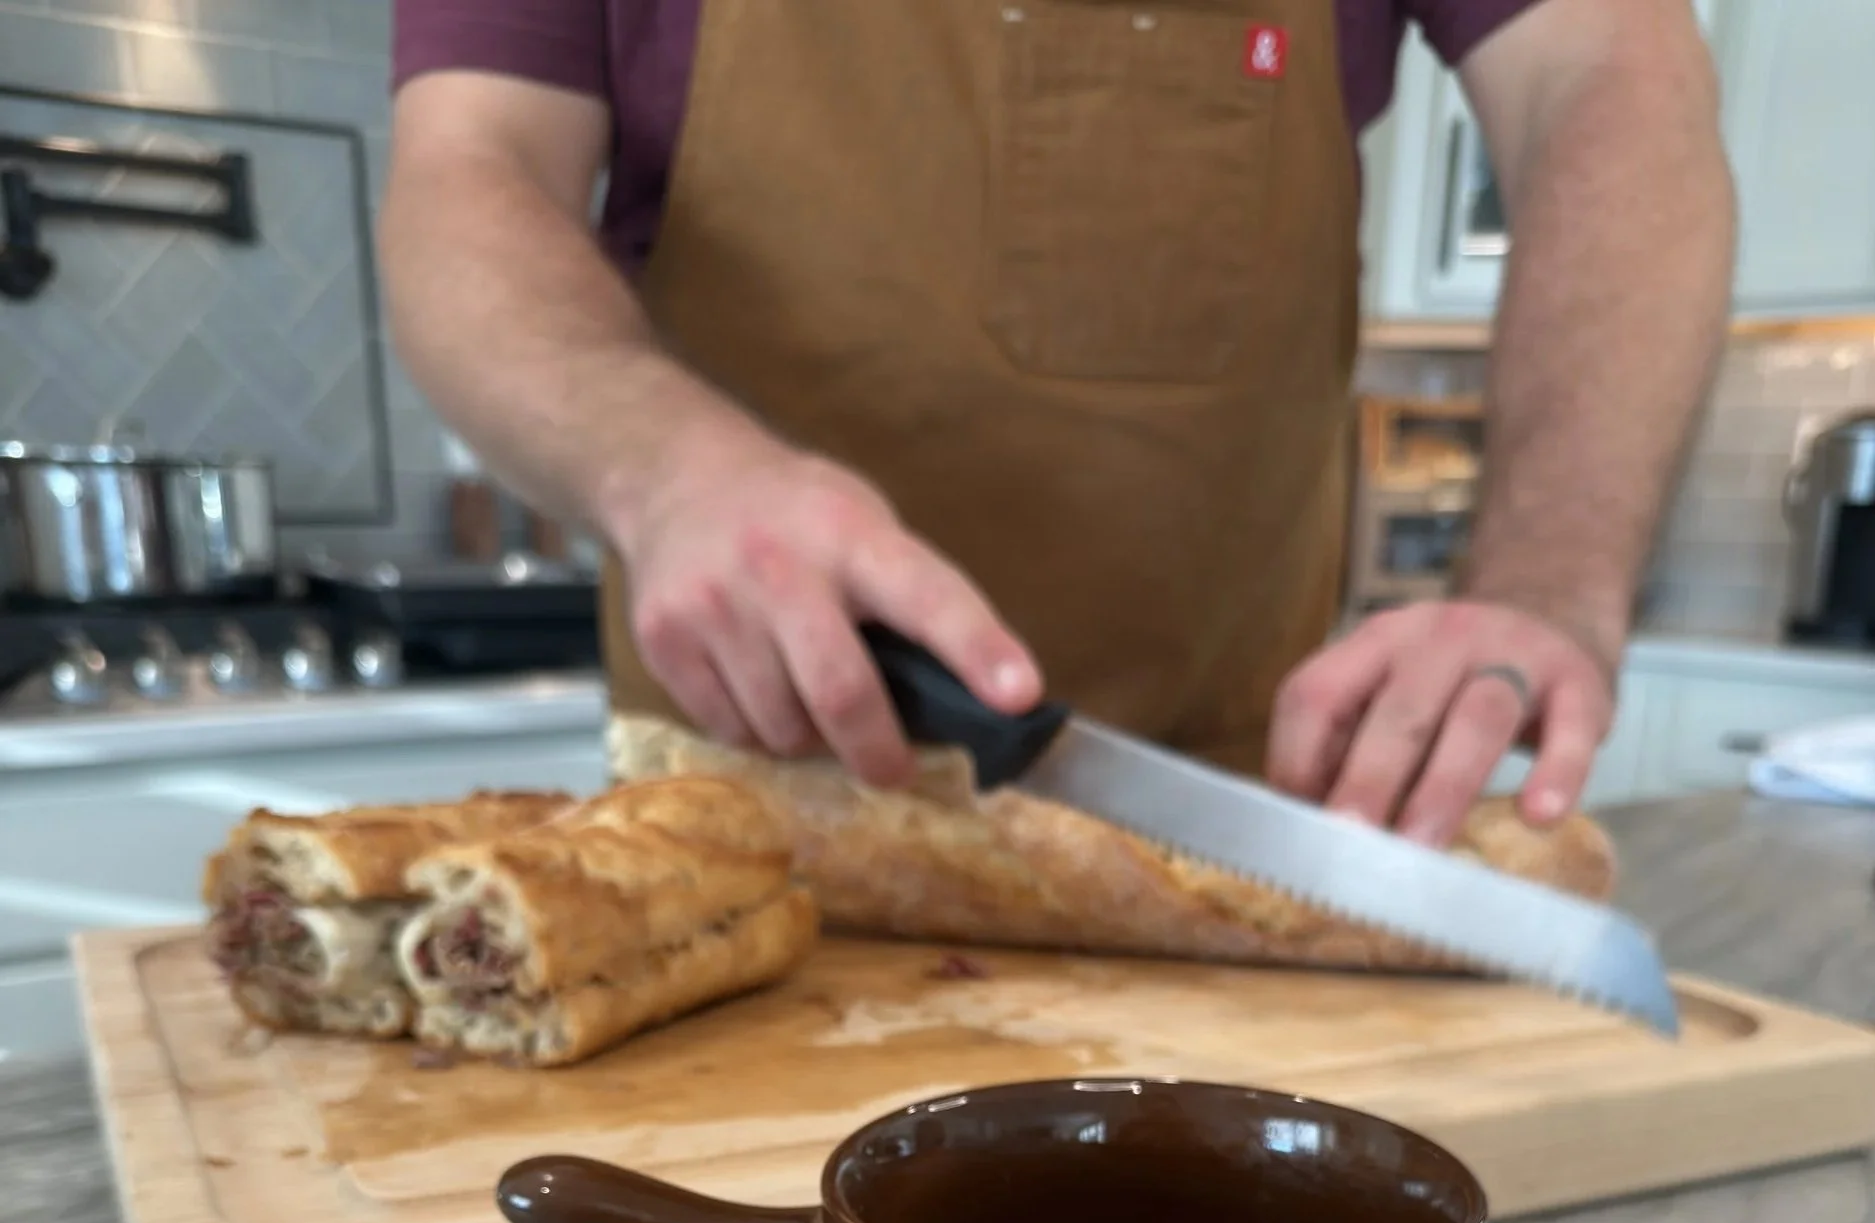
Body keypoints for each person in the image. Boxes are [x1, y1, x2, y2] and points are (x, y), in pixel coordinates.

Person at [380, 0, 1732, 843]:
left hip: (1221, 817)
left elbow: (1611, 72)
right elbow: (469, 170)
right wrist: (665, 473)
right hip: (740, 802)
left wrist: (1550, 581)